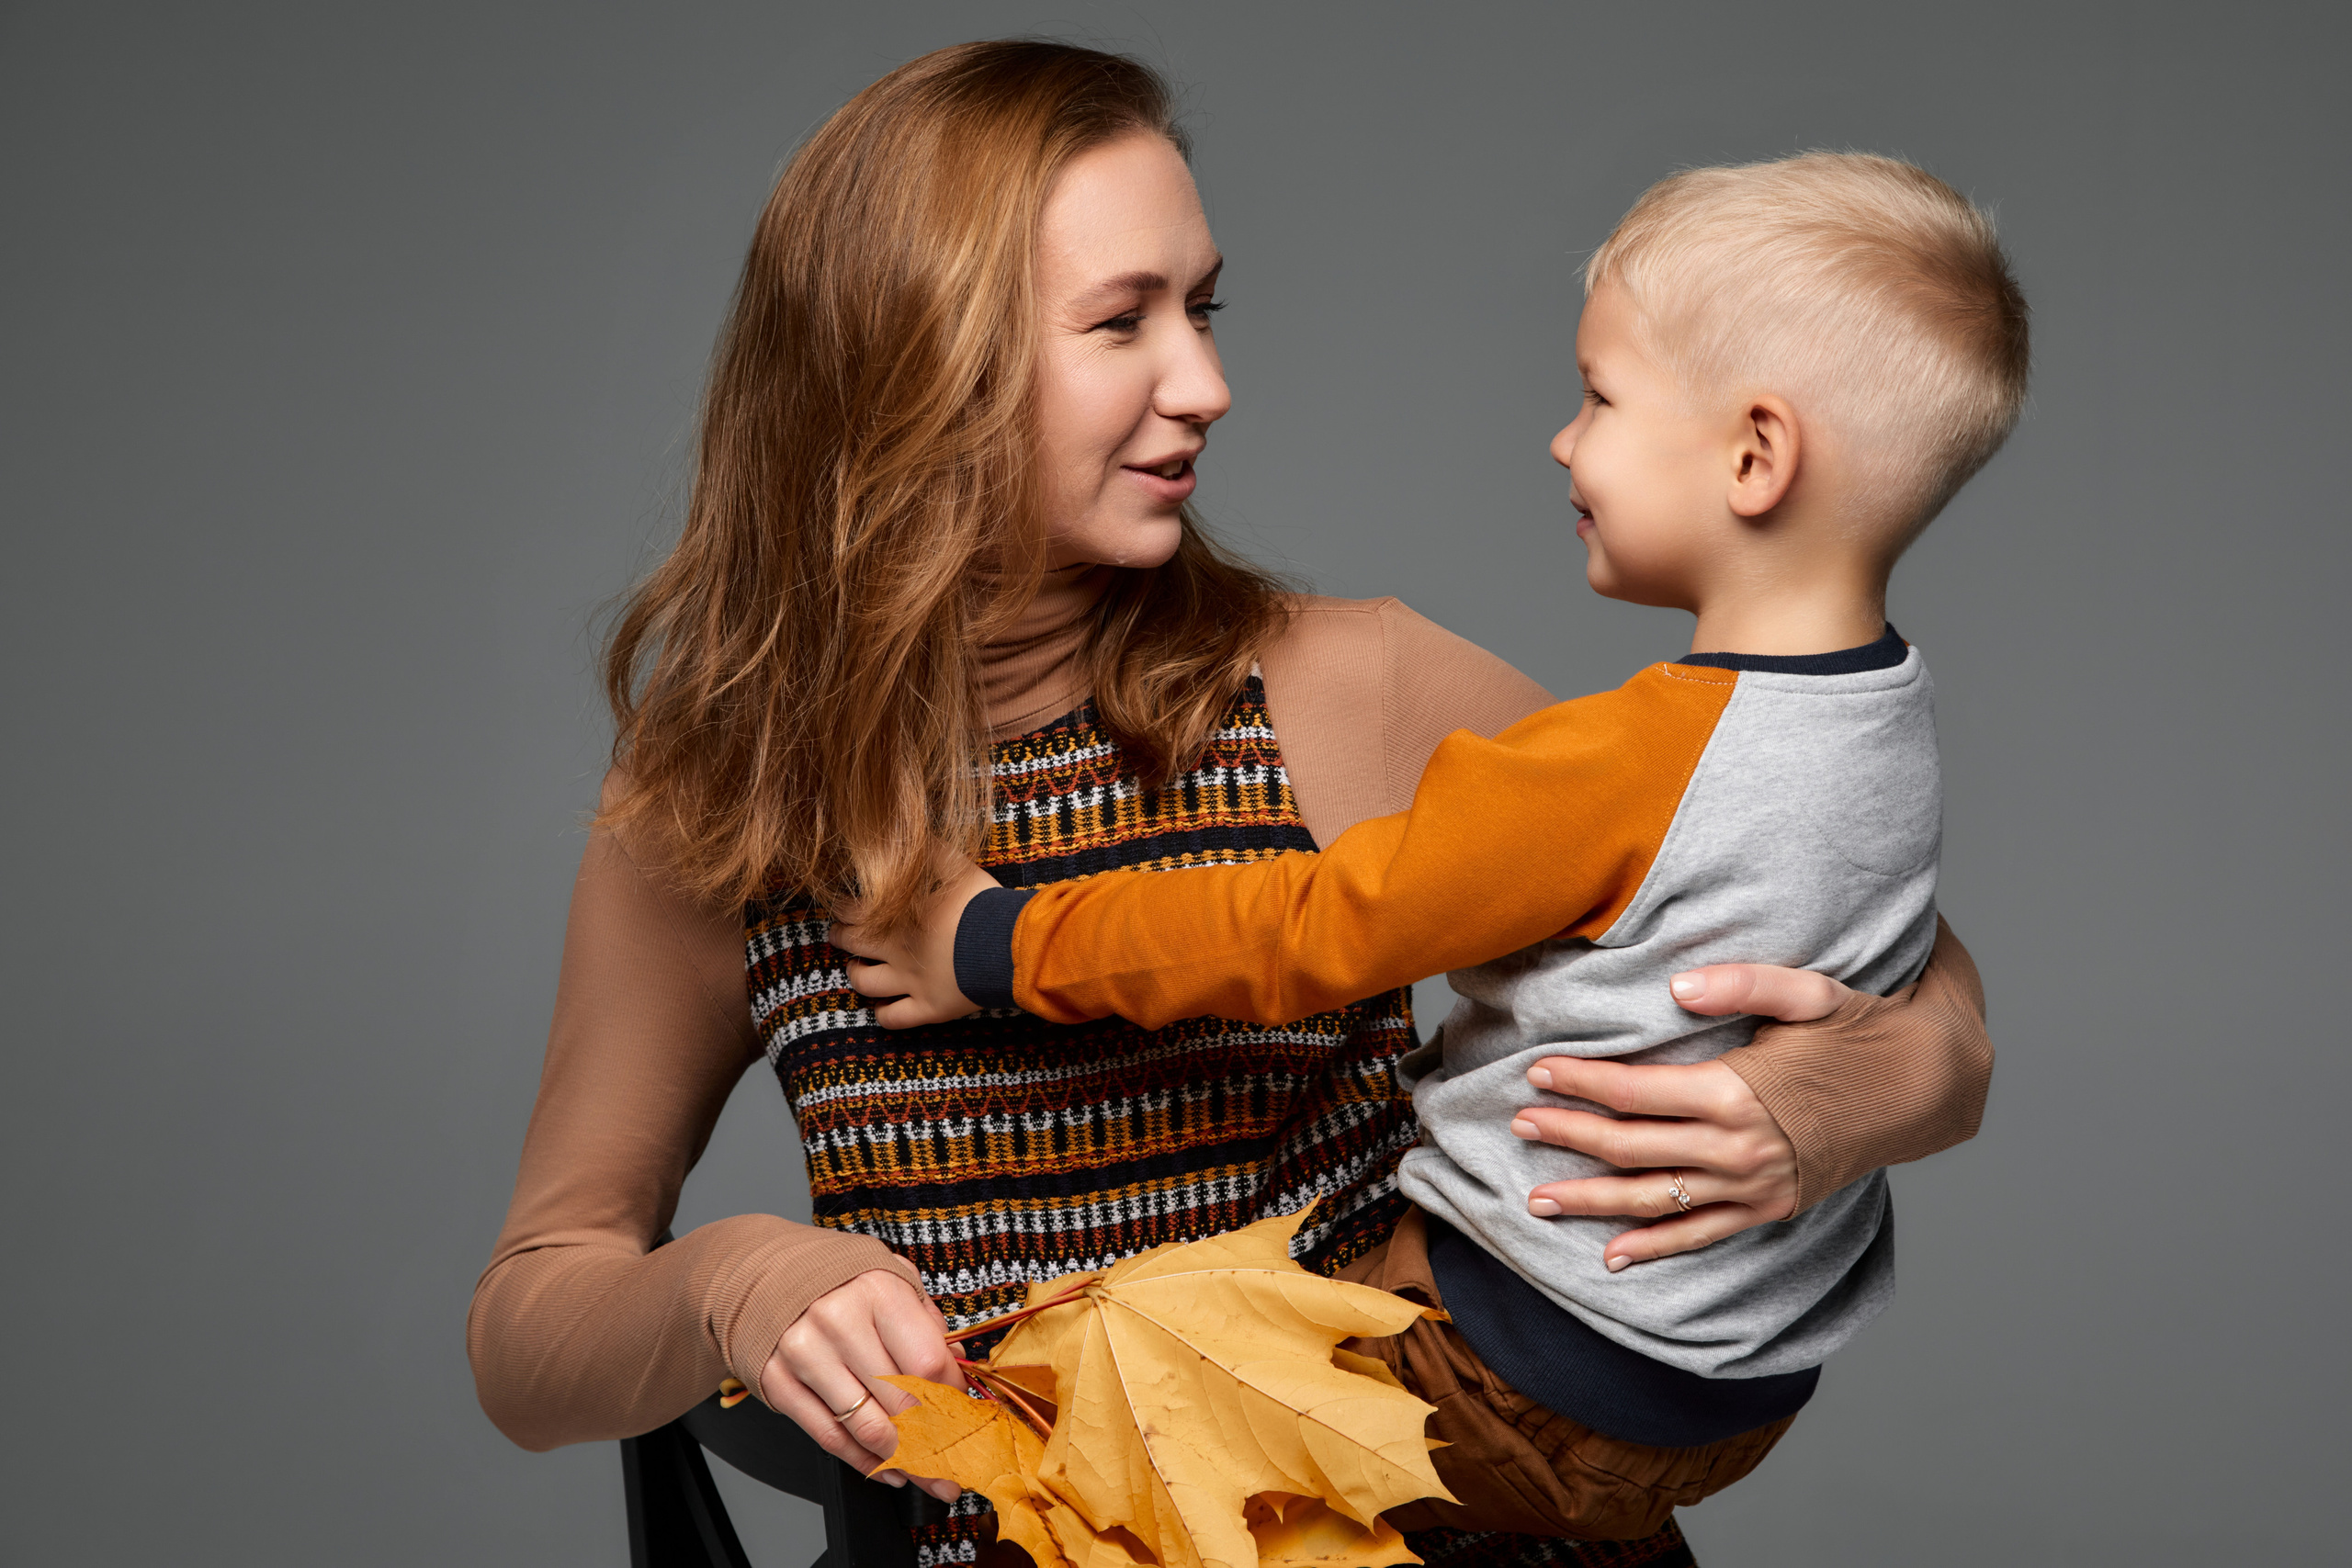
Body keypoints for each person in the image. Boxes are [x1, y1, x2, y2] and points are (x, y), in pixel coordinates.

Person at [466, 42, 1996, 1568]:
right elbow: (531, 1330)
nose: (1204, 383)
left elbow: (1847, 910)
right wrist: (737, 1280)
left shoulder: (1355, 687)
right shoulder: (730, 791)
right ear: (913, 355)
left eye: (1201, 310)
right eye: (1120, 322)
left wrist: (1856, 1096)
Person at [839, 152, 2028, 1543]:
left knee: (1133, 1384)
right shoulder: (1889, 725)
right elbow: (1892, 953)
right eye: (1121, 319)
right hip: (1736, 1386)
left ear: (1754, 456)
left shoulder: (1624, 764)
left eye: (1600, 399)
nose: (1563, 442)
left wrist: (994, 943)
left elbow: (1305, 930)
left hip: (1528, 1364)